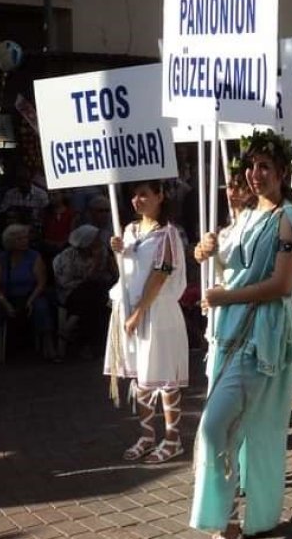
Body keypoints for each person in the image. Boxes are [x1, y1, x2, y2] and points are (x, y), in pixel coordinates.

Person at [189, 130, 292, 539]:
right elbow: (226, 262)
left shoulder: (287, 218)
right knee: (233, 427)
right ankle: (234, 518)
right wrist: (205, 250)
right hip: (228, 333)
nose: (255, 174)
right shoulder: (245, 216)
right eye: (251, 166)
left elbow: (281, 284)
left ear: (283, 172)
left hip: (261, 337)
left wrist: (226, 296)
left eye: (265, 167)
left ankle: (232, 515)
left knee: (216, 425)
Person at [104, 180, 190, 465]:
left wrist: (140, 311)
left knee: (164, 376)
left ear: (159, 196)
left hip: (157, 312)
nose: (137, 200)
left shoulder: (168, 234)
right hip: (129, 310)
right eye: (134, 195)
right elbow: (128, 272)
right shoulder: (129, 230)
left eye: (144, 194)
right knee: (140, 377)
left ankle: (173, 438)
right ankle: (146, 435)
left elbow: (160, 274)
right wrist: (117, 249)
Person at [0, 224, 56, 364]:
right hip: (6, 296)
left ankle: (50, 346)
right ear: (10, 241)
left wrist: (30, 300)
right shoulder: (0, 259)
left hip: (31, 295)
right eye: (19, 239)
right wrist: (5, 303)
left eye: (25, 238)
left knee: (41, 307)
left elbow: (41, 282)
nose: (24, 241)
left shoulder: (34, 256)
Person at [53, 225, 115, 359]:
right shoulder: (68, 255)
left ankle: (72, 324)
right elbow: (65, 281)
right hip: (71, 291)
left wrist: (107, 261)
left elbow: (109, 276)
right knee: (90, 291)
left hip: (95, 292)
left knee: (94, 298)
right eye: (95, 238)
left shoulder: (102, 252)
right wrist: (94, 267)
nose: (99, 241)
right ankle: (86, 345)